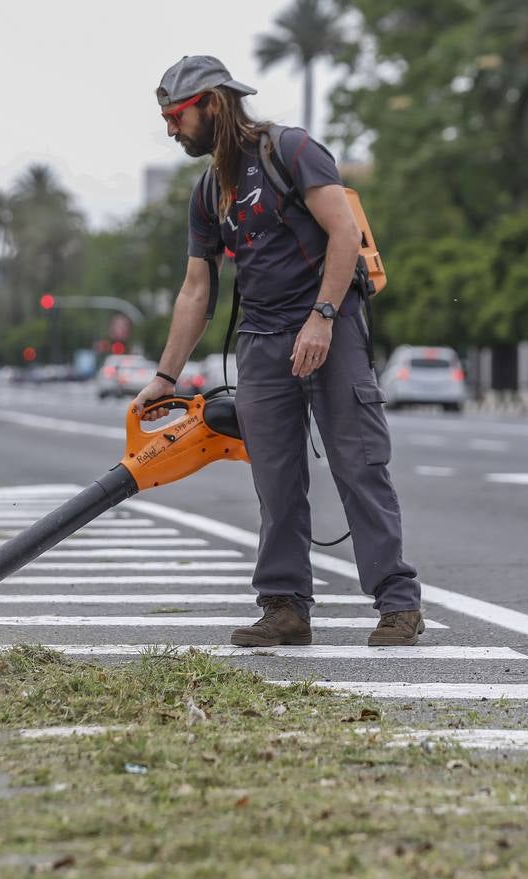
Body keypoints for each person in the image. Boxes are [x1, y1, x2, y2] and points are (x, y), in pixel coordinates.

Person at [133, 55, 424, 647]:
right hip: (262, 345)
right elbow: (197, 288)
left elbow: (343, 233)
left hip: (329, 327)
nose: (169, 128)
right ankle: (285, 608)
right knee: (275, 480)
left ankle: (398, 604)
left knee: (358, 463)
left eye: (175, 116)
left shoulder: (291, 151)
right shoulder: (210, 189)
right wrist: (165, 376)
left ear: (211, 104)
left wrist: (321, 318)